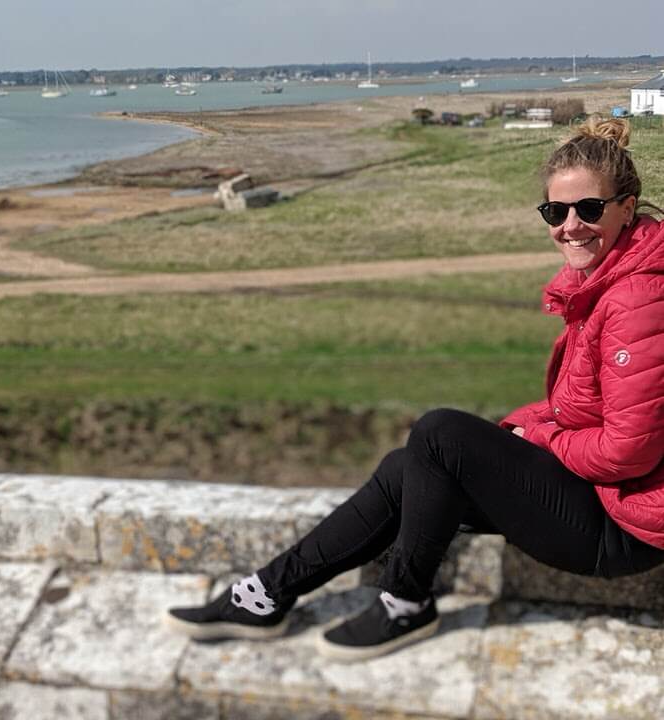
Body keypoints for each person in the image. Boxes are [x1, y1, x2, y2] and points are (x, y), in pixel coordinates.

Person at [165, 117, 664, 662]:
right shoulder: (612, 277)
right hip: (598, 498)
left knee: (439, 432)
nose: (571, 225)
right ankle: (263, 595)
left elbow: (629, 448)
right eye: (556, 211)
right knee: (408, 467)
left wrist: (541, 438)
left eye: (588, 209)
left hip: (621, 527)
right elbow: (586, 404)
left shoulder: (638, 297)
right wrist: (526, 428)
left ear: (626, 206)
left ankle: (405, 601)